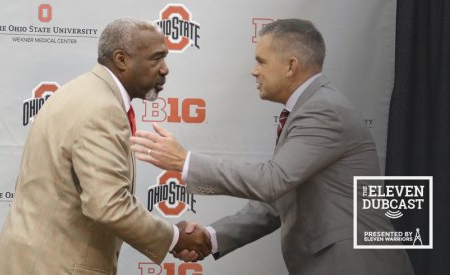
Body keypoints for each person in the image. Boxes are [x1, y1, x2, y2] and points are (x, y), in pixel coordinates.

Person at [130, 19, 414, 274]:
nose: (254, 71)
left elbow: (273, 181)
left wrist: (185, 162)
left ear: (291, 66)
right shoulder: (307, 110)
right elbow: (277, 202)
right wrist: (211, 237)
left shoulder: (322, 111)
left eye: (261, 61)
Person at [0, 17, 210, 275]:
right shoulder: (102, 109)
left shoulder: (82, 91)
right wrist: (174, 238)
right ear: (121, 59)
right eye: (155, 58)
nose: (165, 69)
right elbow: (108, 205)